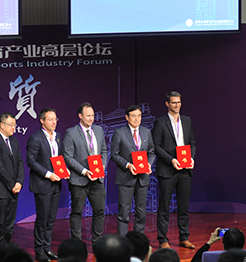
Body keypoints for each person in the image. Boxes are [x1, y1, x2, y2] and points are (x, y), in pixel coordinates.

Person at [152, 91, 196, 249]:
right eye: (174, 102)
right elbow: (156, 146)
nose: (177, 105)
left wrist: (191, 158)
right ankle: (163, 240)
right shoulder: (160, 122)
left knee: (183, 207)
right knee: (164, 207)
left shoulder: (187, 120)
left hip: (185, 170)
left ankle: (184, 237)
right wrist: (171, 160)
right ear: (167, 104)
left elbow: (192, 143)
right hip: (168, 170)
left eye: (179, 102)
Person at [63, 102, 108, 244]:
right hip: (79, 180)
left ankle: (97, 242)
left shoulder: (99, 130)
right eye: (88, 115)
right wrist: (84, 171)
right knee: (77, 212)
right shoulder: (71, 132)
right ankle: (76, 243)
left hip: (97, 179)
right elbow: (68, 157)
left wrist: (103, 166)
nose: (91, 118)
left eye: (93, 115)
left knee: (99, 211)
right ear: (80, 116)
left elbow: (104, 151)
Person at [110, 105, 156, 236]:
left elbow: (152, 152)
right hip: (126, 178)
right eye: (134, 116)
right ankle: (122, 241)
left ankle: (138, 239)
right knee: (124, 212)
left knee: (141, 212)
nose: (137, 119)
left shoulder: (146, 132)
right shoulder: (119, 132)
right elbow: (114, 155)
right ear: (127, 117)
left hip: (142, 178)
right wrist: (127, 165)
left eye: (139, 116)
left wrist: (149, 164)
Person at [27, 107, 65, 262]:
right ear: (42, 121)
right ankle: (39, 250)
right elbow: (31, 161)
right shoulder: (35, 138)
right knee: (42, 219)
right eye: (50, 119)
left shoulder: (58, 136)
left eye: (55, 119)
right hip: (43, 184)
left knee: (51, 219)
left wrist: (63, 171)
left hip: (56, 184)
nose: (54, 122)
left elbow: (59, 158)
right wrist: (49, 174)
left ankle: (47, 248)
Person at [0, 112, 24, 246]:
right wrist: (12, 185)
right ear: (2, 125)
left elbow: (19, 162)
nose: (14, 127)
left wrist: (19, 182)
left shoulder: (14, 141)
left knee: (9, 227)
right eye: (11, 125)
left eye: (15, 125)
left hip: (13, 191)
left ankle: (6, 253)